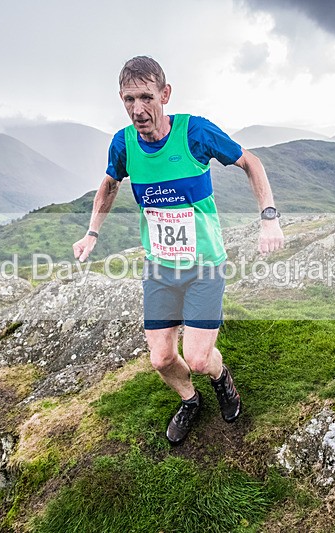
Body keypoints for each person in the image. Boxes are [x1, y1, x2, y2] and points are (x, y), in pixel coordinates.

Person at [73, 56, 284, 445]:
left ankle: (221, 380)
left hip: (204, 265)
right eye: (128, 99)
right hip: (160, 268)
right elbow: (109, 184)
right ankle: (190, 399)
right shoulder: (123, 143)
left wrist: (268, 217)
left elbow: (250, 162)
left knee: (201, 358)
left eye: (146, 97)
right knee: (161, 359)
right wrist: (92, 234)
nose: (138, 110)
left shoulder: (195, 133)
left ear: (165, 94)